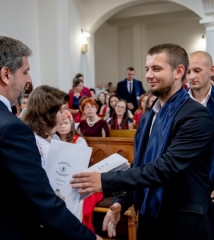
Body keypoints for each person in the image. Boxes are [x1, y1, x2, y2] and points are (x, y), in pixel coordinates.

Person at [71, 43, 214, 240]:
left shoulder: (196, 116)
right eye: (147, 69)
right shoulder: (148, 116)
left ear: (179, 71)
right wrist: (122, 201)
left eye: (157, 69)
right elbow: (141, 166)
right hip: (148, 220)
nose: (148, 75)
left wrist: (105, 181)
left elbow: (165, 168)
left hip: (184, 222)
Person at [0, 35, 101, 240]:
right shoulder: (11, 128)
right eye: (25, 72)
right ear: (5, 74)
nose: (29, 80)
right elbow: (41, 201)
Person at [186, 50, 214, 202]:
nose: (191, 77)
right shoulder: (177, 103)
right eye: (188, 72)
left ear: (212, 70)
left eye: (197, 71)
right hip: (184, 184)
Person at [22, 85, 68, 168]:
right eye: (61, 111)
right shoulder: (29, 141)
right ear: (47, 114)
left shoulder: (55, 137)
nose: (65, 116)